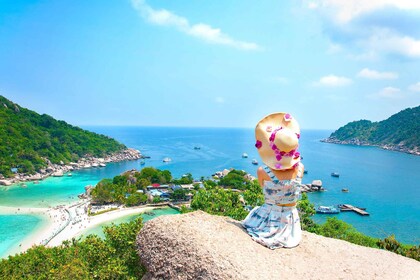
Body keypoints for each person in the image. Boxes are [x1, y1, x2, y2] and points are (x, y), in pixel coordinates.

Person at [242, 112, 304, 249]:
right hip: (291, 221)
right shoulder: (300, 168)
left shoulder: (263, 171)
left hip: (268, 219)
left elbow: (262, 187)